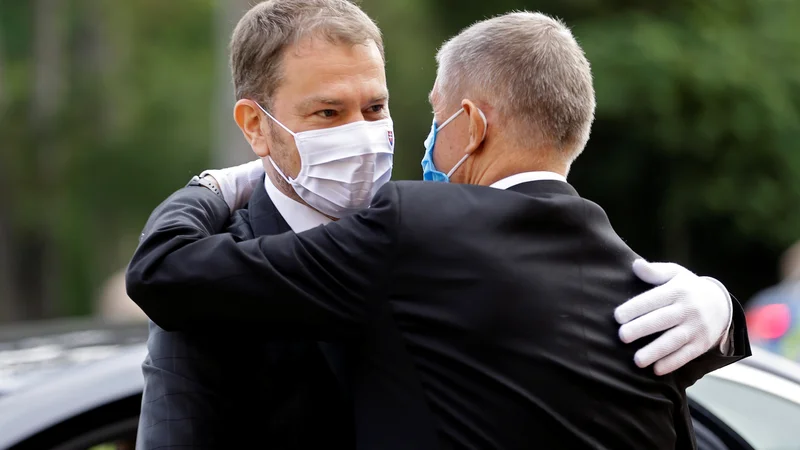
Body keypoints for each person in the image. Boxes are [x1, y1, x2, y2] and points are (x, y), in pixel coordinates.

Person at [127, 9, 750, 449]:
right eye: (328, 113)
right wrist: (722, 314)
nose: (364, 132)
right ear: (256, 126)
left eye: (376, 108)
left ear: (471, 125)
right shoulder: (612, 269)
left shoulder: (420, 224)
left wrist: (717, 311)